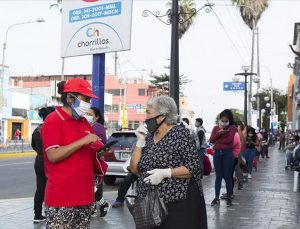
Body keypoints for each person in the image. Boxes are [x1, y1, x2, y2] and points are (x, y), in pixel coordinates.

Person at [130, 96, 207, 229]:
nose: (145, 117)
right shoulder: (148, 137)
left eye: (148, 112)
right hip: (149, 205)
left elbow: (195, 167)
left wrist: (166, 173)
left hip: (177, 203)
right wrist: (140, 141)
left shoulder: (181, 134)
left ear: (162, 116)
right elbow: (134, 169)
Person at [41, 78, 103, 228]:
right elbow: (53, 155)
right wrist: (83, 141)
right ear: (70, 97)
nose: (88, 103)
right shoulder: (53, 120)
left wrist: (100, 151)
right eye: (85, 98)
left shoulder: (83, 122)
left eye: (89, 99)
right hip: (62, 197)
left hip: (84, 195)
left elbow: (88, 151)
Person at [31, 106, 55, 223]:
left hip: (39, 160)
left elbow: (33, 145)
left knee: (40, 189)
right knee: (52, 188)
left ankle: (37, 215)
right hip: (50, 160)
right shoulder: (51, 127)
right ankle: (50, 212)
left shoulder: (37, 129)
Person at [85, 106, 110, 217]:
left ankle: (103, 204)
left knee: (92, 187)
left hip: (95, 161)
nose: (87, 116)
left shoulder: (98, 128)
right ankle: (93, 209)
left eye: (90, 114)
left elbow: (101, 146)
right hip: (85, 161)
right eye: (86, 113)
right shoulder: (85, 126)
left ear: (96, 117)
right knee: (90, 188)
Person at [209, 109, 237, 207]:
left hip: (228, 154)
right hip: (217, 154)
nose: (224, 122)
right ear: (220, 119)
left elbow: (229, 140)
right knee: (218, 176)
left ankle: (229, 197)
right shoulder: (216, 128)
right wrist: (219, 134)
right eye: (222, 120)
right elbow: (211, 140)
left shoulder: (232, 127)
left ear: (229, 120)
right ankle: (216, 197)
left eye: (226, 121)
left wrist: (217, 142)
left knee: (227, 175)